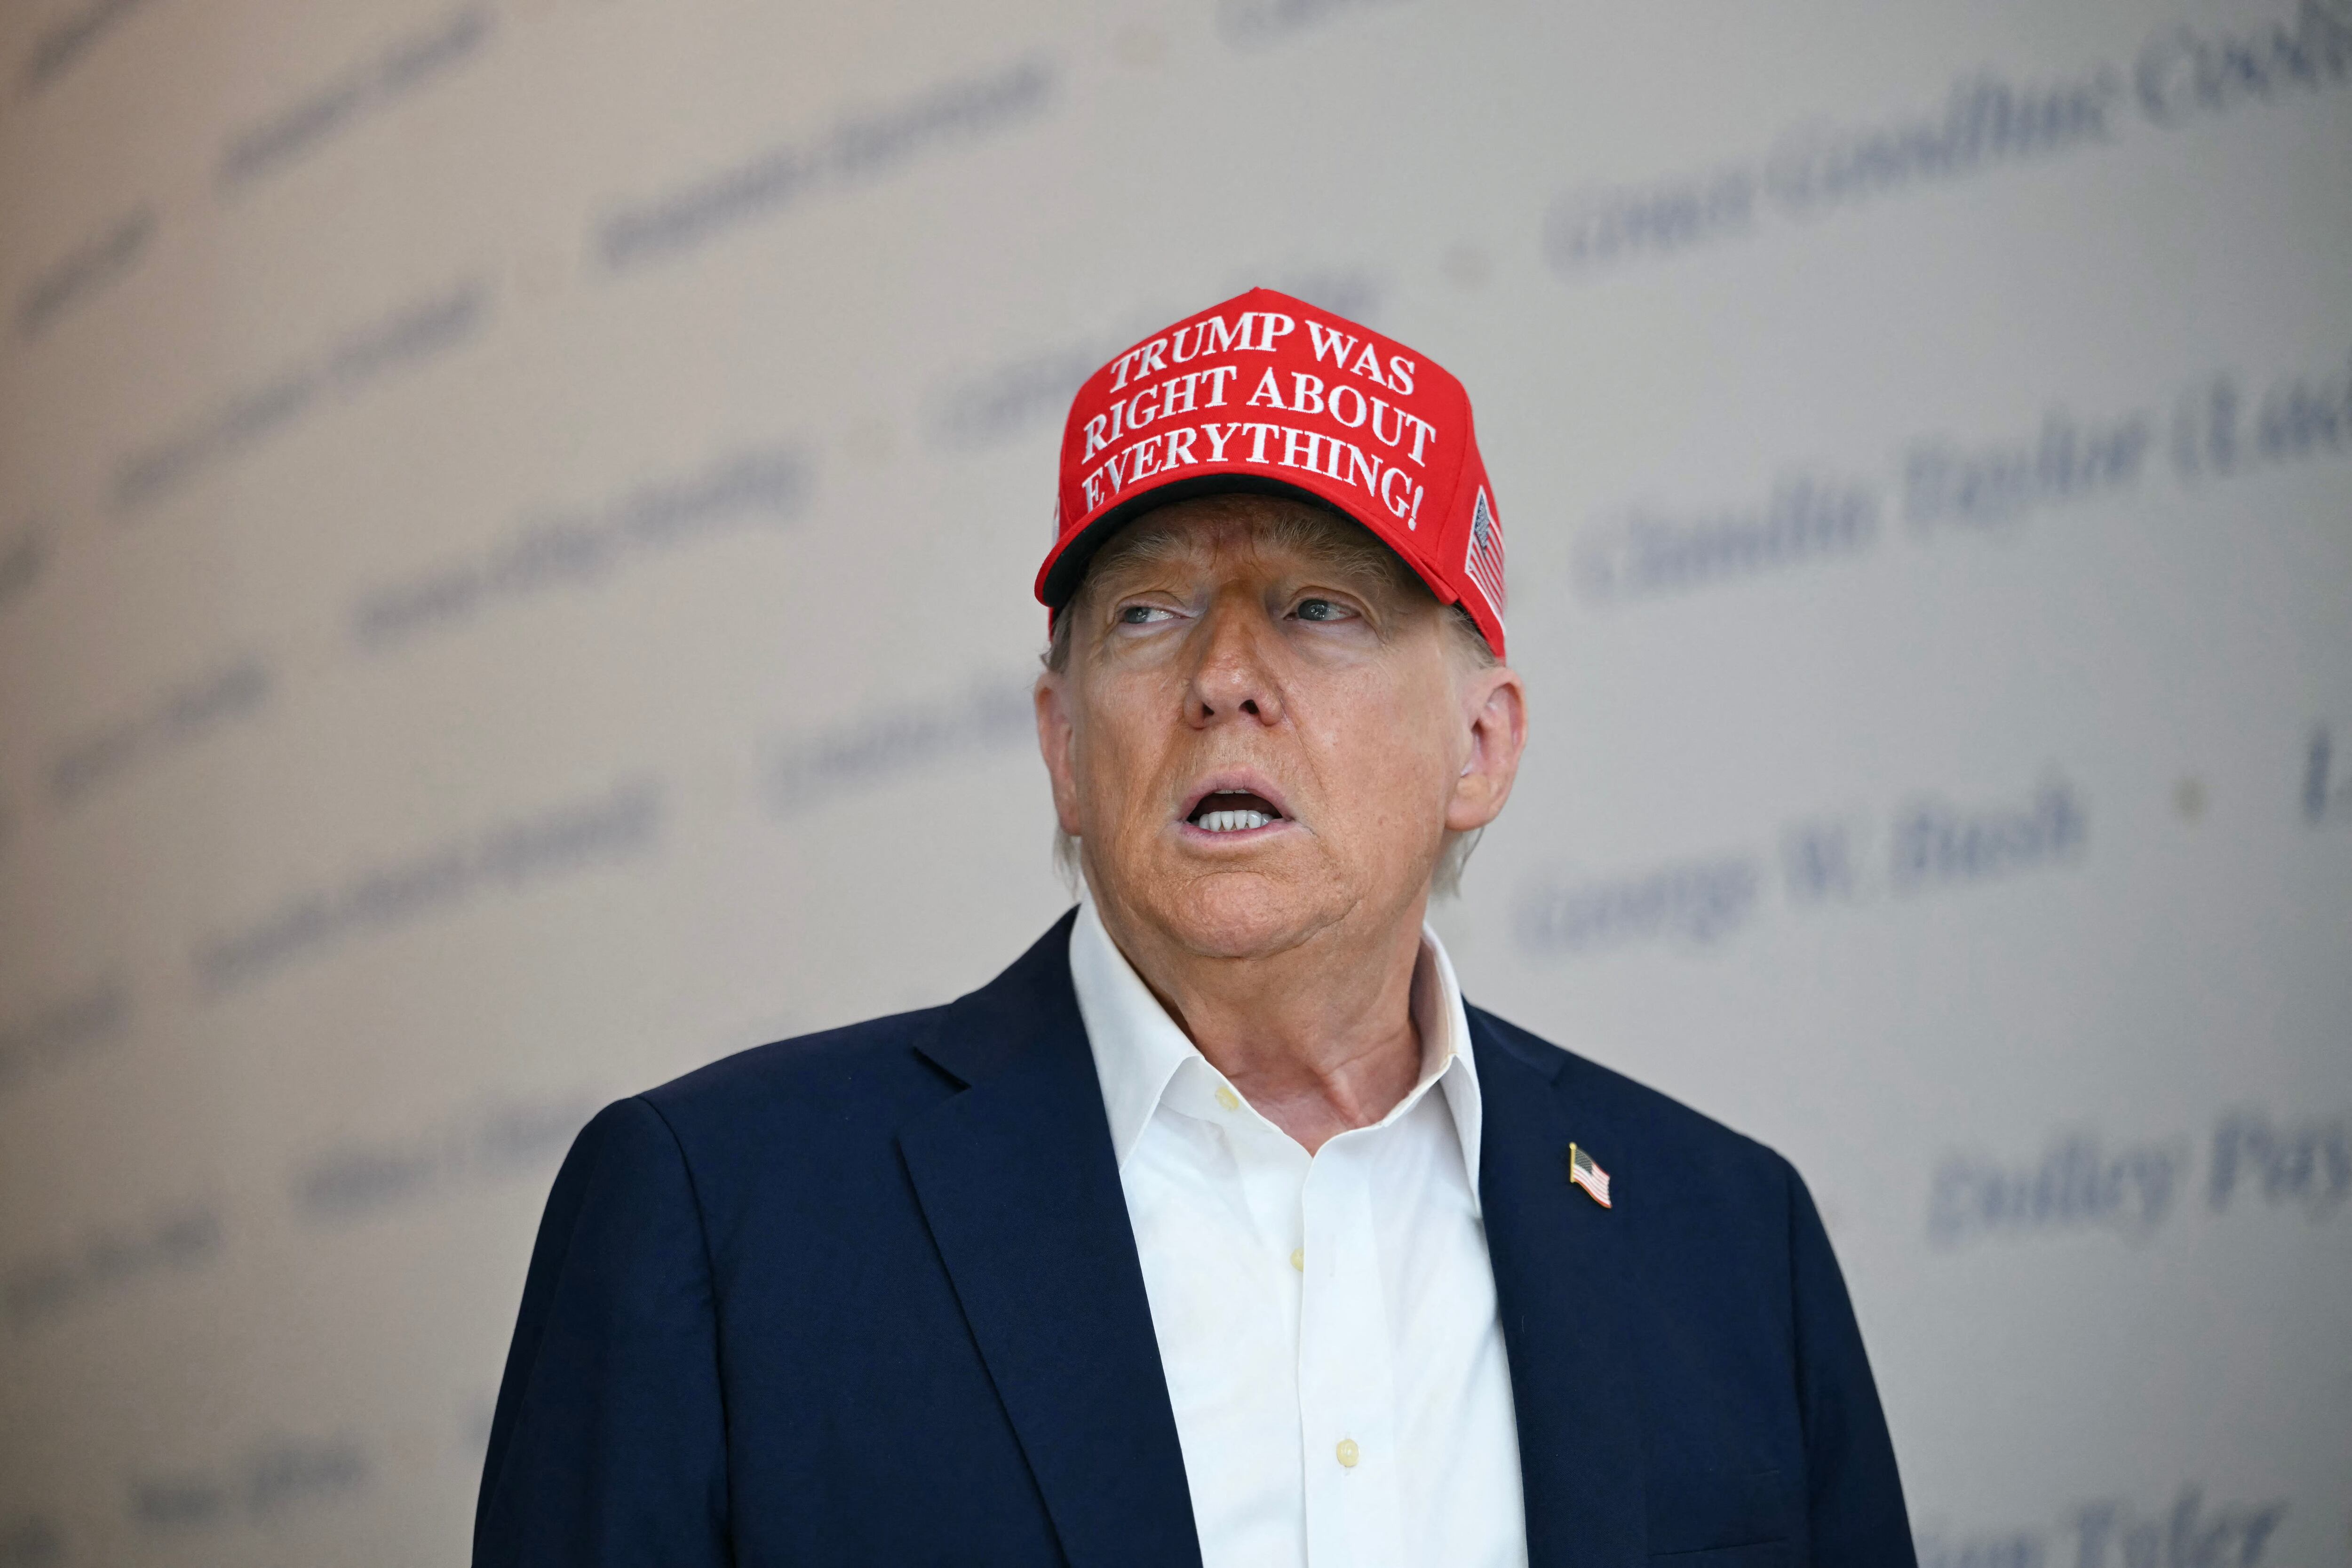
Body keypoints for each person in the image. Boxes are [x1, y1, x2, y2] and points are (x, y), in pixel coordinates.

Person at [474, 288, 1915, 1567]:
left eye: (1319, 605)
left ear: (1480, 744)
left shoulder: (1730, 1238)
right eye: (1150, 613)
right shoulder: (720, 1221)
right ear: (1062, 743)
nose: (1226, 675)